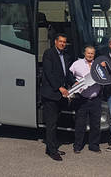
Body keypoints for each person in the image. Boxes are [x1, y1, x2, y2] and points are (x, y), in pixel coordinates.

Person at [40, 33, 74, 161]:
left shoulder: (66, 56)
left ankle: (51, 147)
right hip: (51, 94)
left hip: (59, 96)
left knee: (55, 123)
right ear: (55, 42)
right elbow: (49, 73)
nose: (62, 44)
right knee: (51, 123)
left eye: (64, 42)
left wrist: (74, 83)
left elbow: (67, 74)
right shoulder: (49, 54)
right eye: (60, 41)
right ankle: (52, 151)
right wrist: (59, 87)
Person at [69, 45, 102, 154]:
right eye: (88, 53)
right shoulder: (77, 64)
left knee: (95, 124)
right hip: (81, 99)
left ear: (94, 54)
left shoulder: (98, 65)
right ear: (84, 53)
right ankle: (77, 146)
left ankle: (94, 145)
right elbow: (69, 75)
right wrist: (74, 82)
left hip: (95, 99)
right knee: (80, 124)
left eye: (92, 53)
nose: (90, 55)